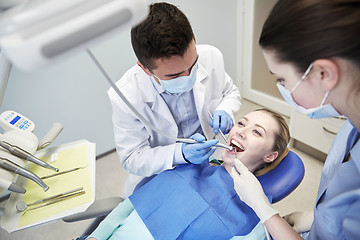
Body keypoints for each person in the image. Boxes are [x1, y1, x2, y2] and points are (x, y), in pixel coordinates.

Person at [231, 1, 360, 239]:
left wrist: (265, 212)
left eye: (281, 79)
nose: (282, 88)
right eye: (241, 123)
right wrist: (316, 219)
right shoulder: (351, 129)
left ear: (324, 74)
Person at [82, 108, 291, 240]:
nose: (241, 131)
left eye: (257, 132)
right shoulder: (188, 167)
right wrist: (96, 237)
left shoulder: (256, 217)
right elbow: (128, 207)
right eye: (242, 123)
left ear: (270, 156)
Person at [108, 2, 241, 198]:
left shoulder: (212, 56)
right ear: (145, 68)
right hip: (161, 176)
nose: (188, 76)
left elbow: (230, 92)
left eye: (193, 65)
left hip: (208, 163)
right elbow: (131, 158)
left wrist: (226, 110)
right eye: (174, 75)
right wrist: (181, 153)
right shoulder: (125, 96)